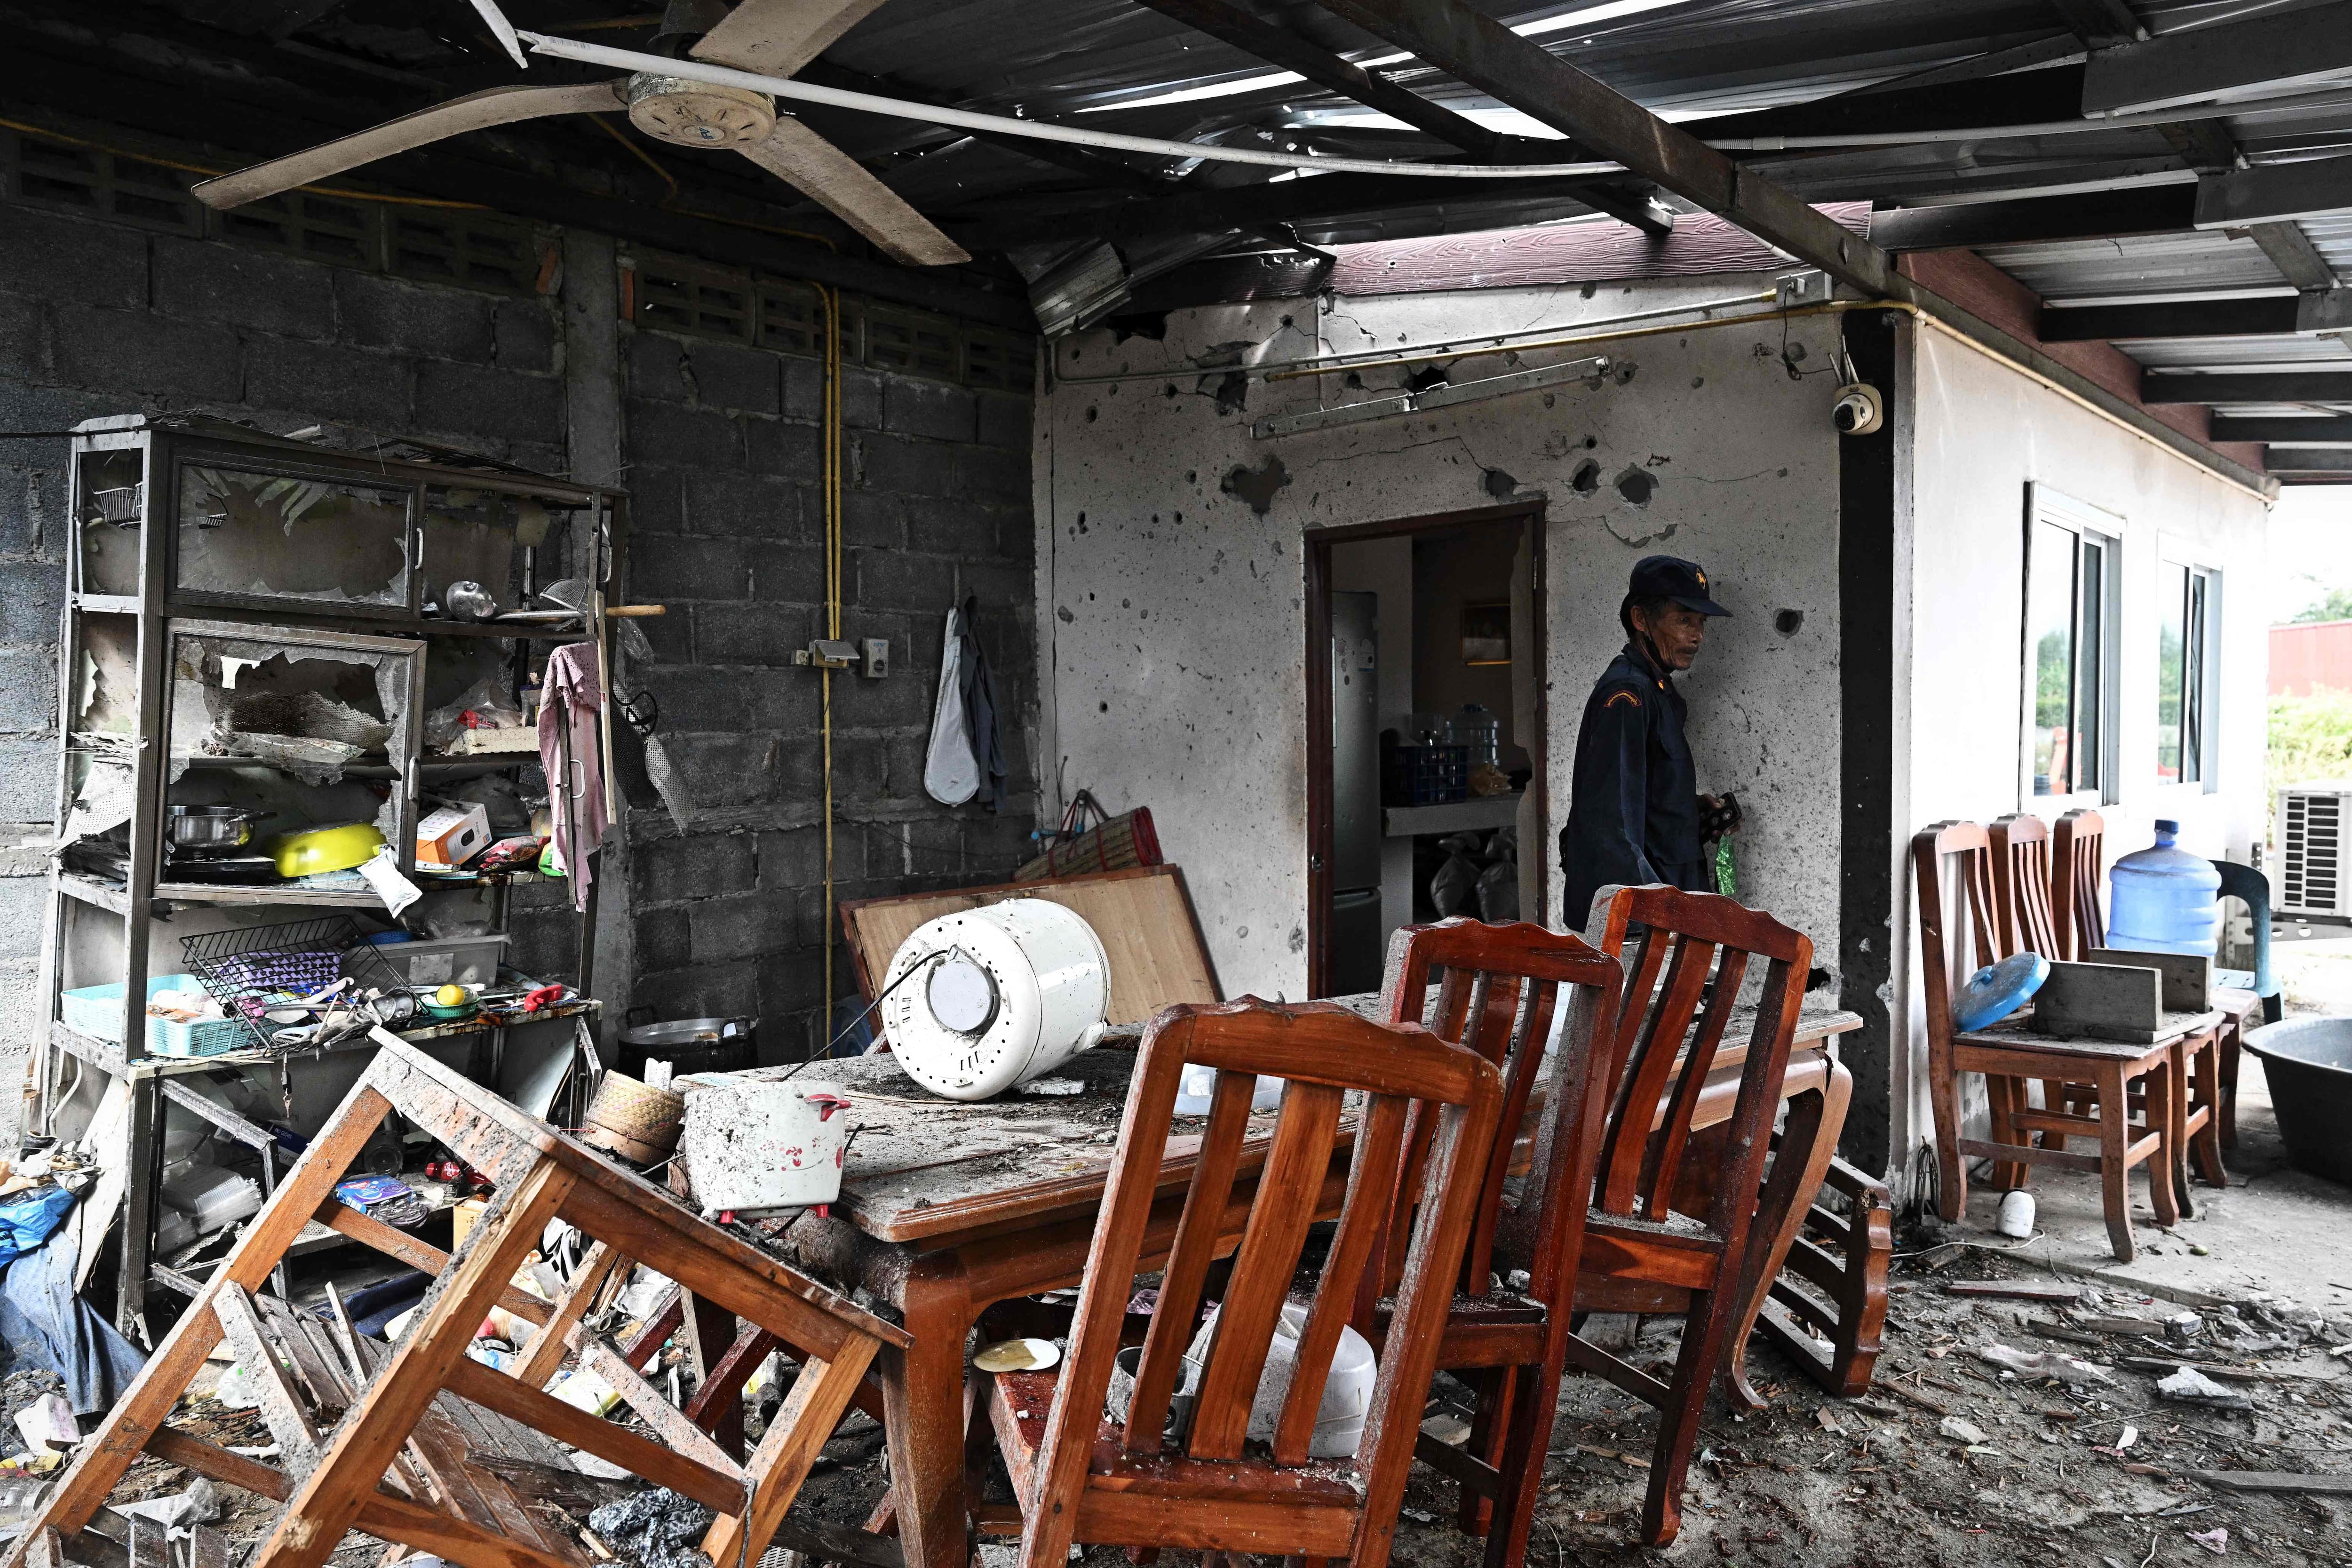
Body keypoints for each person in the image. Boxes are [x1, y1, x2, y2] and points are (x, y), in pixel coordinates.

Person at [1558, 555, 1732, 931]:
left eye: (1701, 622)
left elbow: (1639, 799)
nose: (1698, 635)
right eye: (1684, 620)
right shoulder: (1627, 695)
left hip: (1669, 905)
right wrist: (1655, 923)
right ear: (1641, 620)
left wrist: (1687, 810)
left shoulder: (1657, 689)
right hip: (1642, 922)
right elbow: (1612, 826)